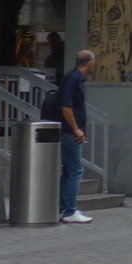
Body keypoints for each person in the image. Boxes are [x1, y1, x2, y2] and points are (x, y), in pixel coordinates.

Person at [58, 49, 96, 223]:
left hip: (70, 131)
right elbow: (66, 105)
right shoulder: (73, 79)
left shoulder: (74, 78)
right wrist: (76, 129)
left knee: (68, 170)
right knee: (75, 170)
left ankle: (63, 208)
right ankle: (69, 210)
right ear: (89, 63)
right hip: (70, 132)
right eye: (94, 62)